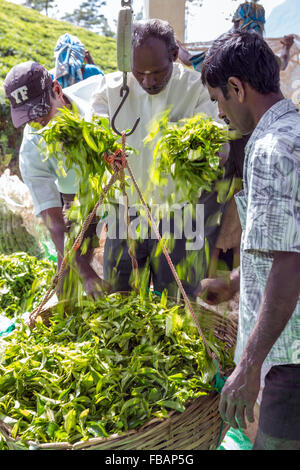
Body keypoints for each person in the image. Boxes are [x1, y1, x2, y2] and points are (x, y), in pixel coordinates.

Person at [200, 30, 300, 450]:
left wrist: (250, 364)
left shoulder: (270, 149)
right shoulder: (293, 131)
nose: (220, 113)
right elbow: (286, 242)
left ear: (237, 88)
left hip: (289, 358)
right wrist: (235, 282)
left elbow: (290, 263)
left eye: (218, 100)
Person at [88, 18, 231, 298]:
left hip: (179, 214)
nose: (148, 81)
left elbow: (219, 142)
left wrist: (210, 155)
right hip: (125, 212)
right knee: (122, 297)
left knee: (177, 300)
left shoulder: (195, 89)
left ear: (175, 56)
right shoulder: (110, 89)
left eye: (157, 72)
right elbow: (95, 133)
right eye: (139, 73)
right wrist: (104, 151)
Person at [3, 61, 107, 299]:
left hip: (120, 188)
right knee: (69, 275)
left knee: (122, 265)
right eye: (28, 119)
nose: (39, 123)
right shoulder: (32, 149)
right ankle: (65, 316)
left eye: (42, 112)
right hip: (77, 201)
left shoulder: (99, 95)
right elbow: (55, 223)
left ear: (57, 91)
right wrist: (87, 274)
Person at [178, 1, 294, 72]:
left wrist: (176, 46)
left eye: (235, 22)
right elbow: (282, 64)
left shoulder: (224, 49)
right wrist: (286, 47)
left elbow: (189, 60)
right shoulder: (263, 54)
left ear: (238, 23)